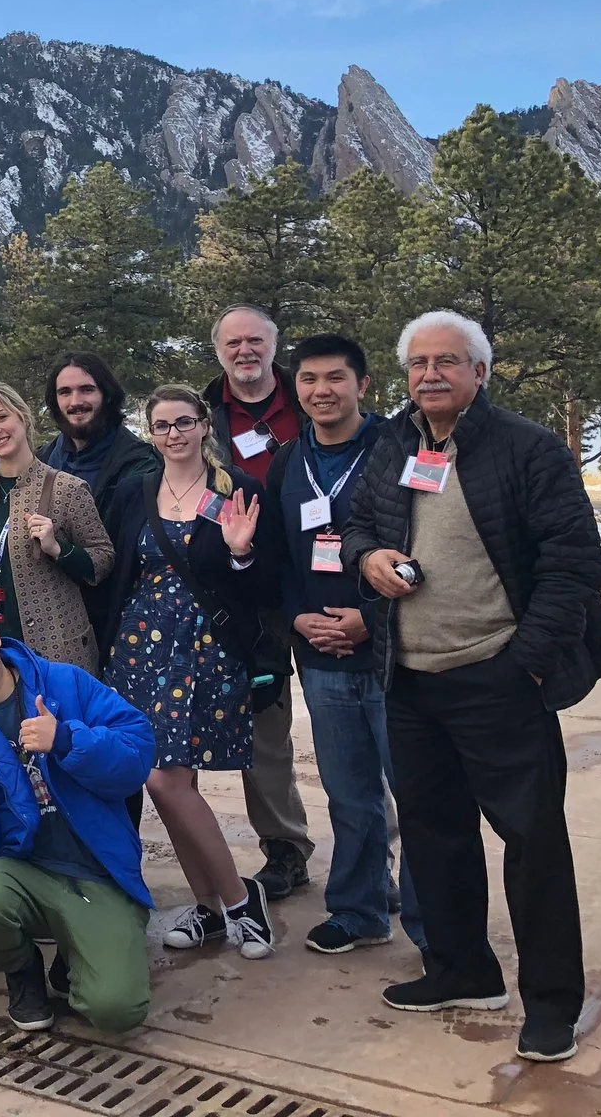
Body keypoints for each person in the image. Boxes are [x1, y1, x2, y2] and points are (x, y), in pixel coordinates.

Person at [344, 311, 601, 1064]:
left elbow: (574, 565)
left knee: (533, 844)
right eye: (418, 363)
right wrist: (368, 559)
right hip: (413, 680)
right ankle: (464, 970)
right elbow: (360, 525)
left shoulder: (527, 449)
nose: (430, 375)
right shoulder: (396, 443)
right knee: (436, 839)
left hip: (498, 676)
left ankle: (553, 1003)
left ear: (480, 373)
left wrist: (525, 662)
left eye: (447, 362)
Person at [98, 386, 275, 959]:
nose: (172, 434)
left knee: (164, 781)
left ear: (204, 427)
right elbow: (112, 564)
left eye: (182, 422)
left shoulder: (236, 491)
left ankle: (239, 898)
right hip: (139, 647)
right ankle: (210, 908)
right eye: (160, 425)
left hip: (204, 646)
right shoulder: (134, 491)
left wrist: (241, 553)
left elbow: (260, 583)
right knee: (174, 785)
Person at [0, 607, 156, 1033]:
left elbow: (137, 752)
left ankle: (73, 959)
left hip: (96, 870)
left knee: (117, 1011)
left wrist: (66, 739)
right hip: (21, 874)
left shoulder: (64, 682)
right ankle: (21, 970)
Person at [261, 334, 421, 956]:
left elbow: (425, 546)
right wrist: (297, 618)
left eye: (335, 379)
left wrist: (370, 616)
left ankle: (433, 925)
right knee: (349, 792)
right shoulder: (286, 460)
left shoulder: (398, 449)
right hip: (319, 655)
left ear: (363, 385)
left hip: (391, 653)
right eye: (308, 380)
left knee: (415, 790)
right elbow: (274, 556)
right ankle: (358, 910)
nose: (321, 391)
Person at [203, 308, 313, 902]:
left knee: (356, 723)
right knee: (265, 730)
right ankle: (286, 848)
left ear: (274, 346)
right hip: (246, 591)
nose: (244, 351)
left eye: (255, 341)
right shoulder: (203, 415)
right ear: (218, 349)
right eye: (233, 342)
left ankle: (379, 854)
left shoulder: (307, 400)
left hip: (321, 582)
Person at [0, 383, 115, 671]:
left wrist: (58, 549)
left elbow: (103, 560)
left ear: (23, 417)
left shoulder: (67, 488)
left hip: (55, 649)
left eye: (1, 418)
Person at [40, 353, 161, 586]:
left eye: (87, 389)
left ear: (106, 395)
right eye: (64, 392)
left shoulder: (140, 464)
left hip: (112, 603)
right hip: (52, 604)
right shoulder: (42, 460)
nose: (75, 402)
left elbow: (127, 548)